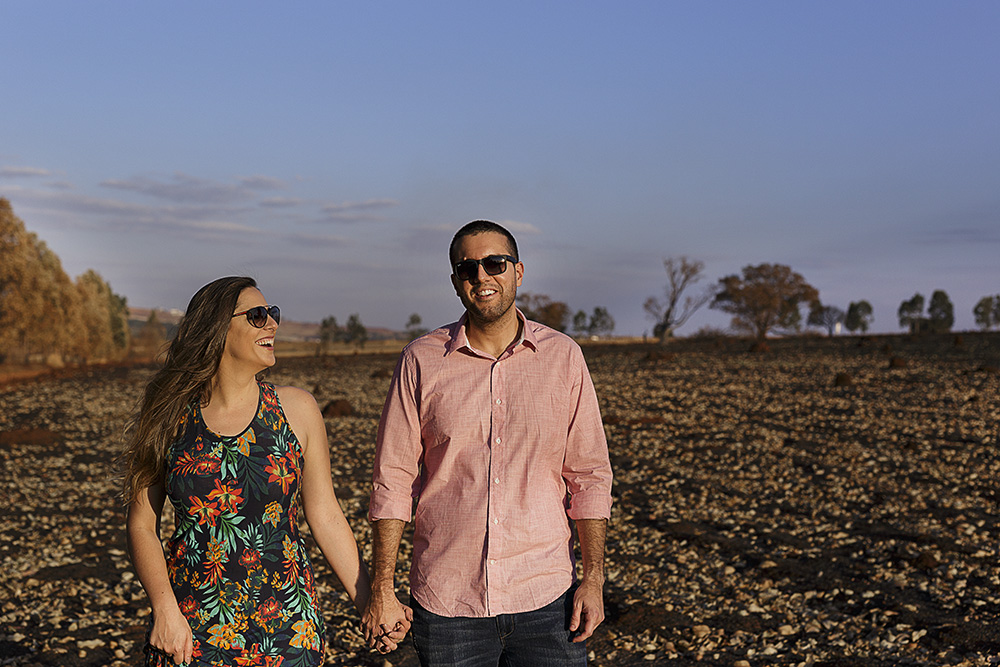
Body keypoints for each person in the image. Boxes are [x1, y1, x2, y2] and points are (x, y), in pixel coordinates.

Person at [363, 221, 614, 666]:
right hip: (447, 605)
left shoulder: (564, 357)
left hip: (548, 601)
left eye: (494, 264)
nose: (482, 277)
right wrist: (382, 589)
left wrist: (592, 579)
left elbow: (589, 475)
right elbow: (393, 480)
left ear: (518, 271)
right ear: (456, 282)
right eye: (467, 268)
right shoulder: (421, 359)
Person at [120, 276, 404, 666]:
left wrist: (371, 604)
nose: (272, 323)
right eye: (256, 316)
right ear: (218, 329)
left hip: (288, 626)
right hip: (191, 627)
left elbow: (325, 515)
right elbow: (141, 525)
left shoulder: (297, 410)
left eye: (272, 313)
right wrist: (164, 610)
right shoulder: (168, 416)